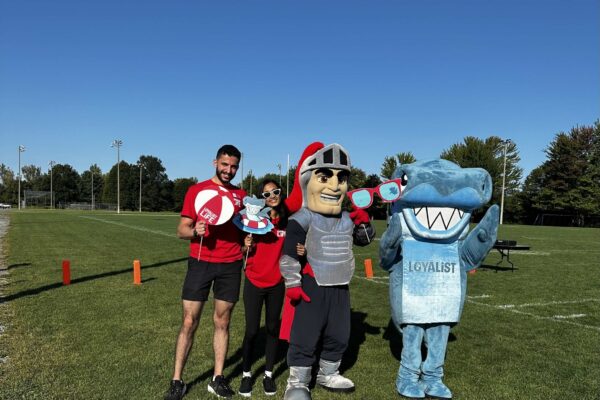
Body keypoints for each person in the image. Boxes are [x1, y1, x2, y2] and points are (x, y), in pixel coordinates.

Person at [279, 142, 375, 400]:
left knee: (339, 332)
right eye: (325, 177)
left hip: (340, 285)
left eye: (341, 178)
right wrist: (293, 284)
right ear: (308, 180)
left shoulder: (345, 218)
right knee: (305, 334)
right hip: (313, 284)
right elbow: (288, 254)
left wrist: (364, 222)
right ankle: (297, 382)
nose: (335, 185)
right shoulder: (302, 217)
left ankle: (328, 372)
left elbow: (365, 240)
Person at [164, 144, 246, 400]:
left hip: (231, 264)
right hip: (201, 262)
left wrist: (247, 240)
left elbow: (245, 229)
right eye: (224, 164)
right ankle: (177, 381)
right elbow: (181, 230)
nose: (229, 170)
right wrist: (194, 231)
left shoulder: (241, 196)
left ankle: (217, 378)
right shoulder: (197, 191)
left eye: (233, 166)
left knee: (223, 321)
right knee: (189, 322)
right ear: (215, 163)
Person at [237, 179, 305, 397]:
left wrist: (302, 251)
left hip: (277, 284)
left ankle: (268, 374)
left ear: (280, 193)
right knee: (252, 330)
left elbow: (297, 249)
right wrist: (245, 245)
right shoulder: (255, 221)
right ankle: (246, 374)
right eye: (266, 194)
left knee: (273, 329)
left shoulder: (289, 222)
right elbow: (242, 250)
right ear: (261, 199)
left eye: (275, 191)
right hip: (254, 281)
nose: (271, 196)